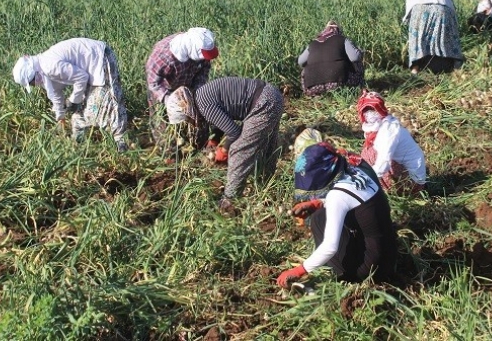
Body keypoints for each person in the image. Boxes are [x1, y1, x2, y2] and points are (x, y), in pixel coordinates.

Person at [276, 143, 397, 287]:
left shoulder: (337, 196)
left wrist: (300, 270)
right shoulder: (354, 170)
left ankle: (342, 275)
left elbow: (330, 247)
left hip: (372, 270)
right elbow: (352, 200)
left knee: (318, 220)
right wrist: (318, 203)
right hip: (389, 252)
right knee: (321, 215)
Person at [12, 38, 128, 151]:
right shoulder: (43, 71)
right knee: (79, 116)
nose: (34, 85)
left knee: (108, 102)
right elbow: (55, 93)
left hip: (100, 58)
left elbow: (81, 77)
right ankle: (78, 145)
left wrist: (74, 100)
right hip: (89, 69)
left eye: (32, 82)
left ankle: (121, 140)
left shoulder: (49, 66)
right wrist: (60, 117)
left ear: (34, 74)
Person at [194, 77, 284, 211]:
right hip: (273, 96)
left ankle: (229, 202)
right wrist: (215, 139)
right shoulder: (201, 95)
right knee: (266, 148)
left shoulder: (203, 106)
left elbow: (234, 132)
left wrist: (224, 151)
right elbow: (224, 115)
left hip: (263, 104)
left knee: (238, 150)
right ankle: (267, 187)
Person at [145, 27, 219, 150]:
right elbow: (154, 83)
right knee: (161, 119)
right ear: (193, 49)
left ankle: (199, 144)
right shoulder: (163, 57)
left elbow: (203, 71)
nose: (206, 58)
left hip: (187, 83)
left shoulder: (200, 51)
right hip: (164, 89)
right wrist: (169, 100)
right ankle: (169, 151)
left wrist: (197, 91)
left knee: (197, 114)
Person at [355, 90, 426, 193]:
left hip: (412, 181)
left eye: (373, 109)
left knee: (373, 154)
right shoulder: (375, 128)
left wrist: (363, 179)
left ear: (380, 109)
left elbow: (384, 162)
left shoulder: (388, 130)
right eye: (366, 110)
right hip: (404, 170)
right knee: (367, 152)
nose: (369, 114)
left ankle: (388, 191)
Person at [401, 0, 464, 74]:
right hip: (443, 10)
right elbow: (451, 7)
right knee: (449, 38)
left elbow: (409, 10)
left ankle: (415, 70)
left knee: (417, 40)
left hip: (420, 10)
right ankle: (457, 67)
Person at [297, 21, 365, 96]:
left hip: (312, 86)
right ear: (338, 30)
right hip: (336, 83)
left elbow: (300, 61)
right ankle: (359, 90)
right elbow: (354, 57)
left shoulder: (313, 43)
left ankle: (315, 94)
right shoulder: (342, 39)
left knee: (305, 68)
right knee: (357, 60)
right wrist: (359, 51)